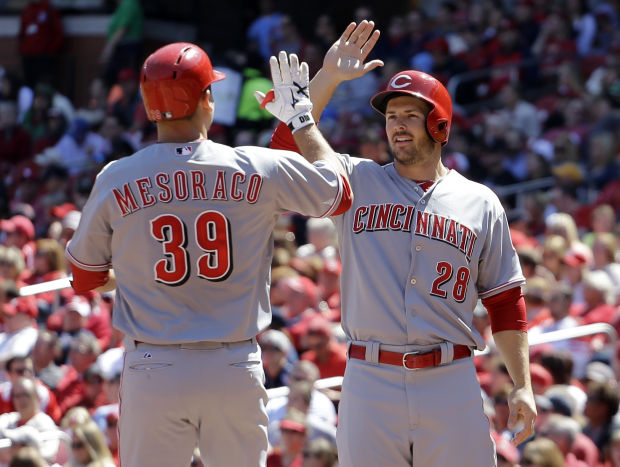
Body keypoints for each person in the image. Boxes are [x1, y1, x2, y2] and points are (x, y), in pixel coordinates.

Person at [64, 41, 351, 467]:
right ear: (207, 100)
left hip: (153, 364)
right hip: (232, 362)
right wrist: (302, 117)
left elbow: (84, 277)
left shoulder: (116, 177)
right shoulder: (253, 165)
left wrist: (134, 273)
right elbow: (339, 193)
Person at [264, 20, 537, 466]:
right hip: (370, 378)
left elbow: (506, 300)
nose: (398, 125)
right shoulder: (356, 178)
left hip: (450, 377)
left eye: (411, 114)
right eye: (391, 116)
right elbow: (283, 154)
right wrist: (328, 77)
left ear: (439, 124)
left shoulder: (479, 201)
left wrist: (521, 383)